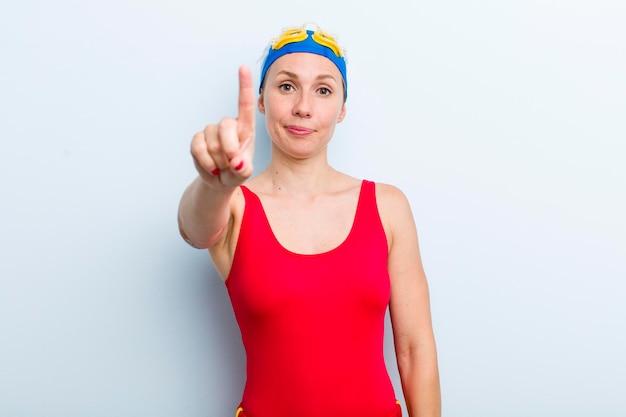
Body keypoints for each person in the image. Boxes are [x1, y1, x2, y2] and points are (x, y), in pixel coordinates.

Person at [177, 23, 441, 417]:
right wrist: (213, 182)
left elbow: (414, 349)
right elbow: (194, 230)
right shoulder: (234, 204)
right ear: (262, 99)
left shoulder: (387, 206)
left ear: (343, 107)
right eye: (286, 86)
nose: (303, 106)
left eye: (323, 90)